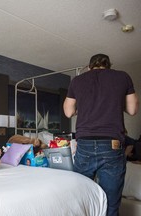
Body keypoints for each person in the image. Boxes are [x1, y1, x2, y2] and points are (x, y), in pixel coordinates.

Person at [63, 54, 139, 216]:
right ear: (108, 65)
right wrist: (116, 104)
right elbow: (132, 110)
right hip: (112, 144)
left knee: (81, 196)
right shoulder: (122, 77)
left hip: (84, 144)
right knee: (111, 202)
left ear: (90, 66)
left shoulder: (77, 80)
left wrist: (81, 109)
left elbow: (68, 112)